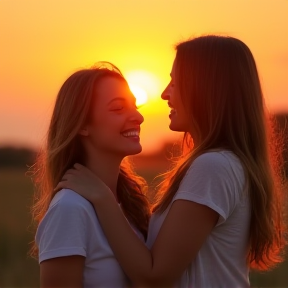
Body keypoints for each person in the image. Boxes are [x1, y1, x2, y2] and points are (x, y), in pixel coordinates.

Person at [56, 35, 287, 287]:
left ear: (206, 89)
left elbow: (154, 277)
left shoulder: (214, 166)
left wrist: (102, 197)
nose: (165, 93)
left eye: (175, 83)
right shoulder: (224, 163)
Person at [30, 62, 151, 287]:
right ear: (82, 125)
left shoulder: (129, 205)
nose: (138, 117)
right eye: (118, 108)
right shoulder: (70, 209)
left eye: (135, 107)